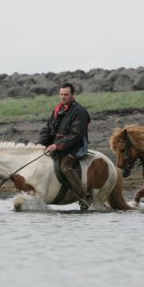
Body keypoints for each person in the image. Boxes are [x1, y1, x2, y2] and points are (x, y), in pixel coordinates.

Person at [38, 82, 92, 210]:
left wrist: (57, 146)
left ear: (73, 95)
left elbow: (77, 134)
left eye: (66, 95)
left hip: (76, 146)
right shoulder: (58, 109)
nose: (63, 97)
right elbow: (48, 129)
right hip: (59, 145)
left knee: (65, 167)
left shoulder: (79, 111)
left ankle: (84, 197)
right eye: (61, 94)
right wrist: (39, 145)